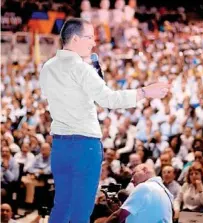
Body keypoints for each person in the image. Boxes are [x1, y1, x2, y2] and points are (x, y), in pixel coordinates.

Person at [39, 18, 170, 223]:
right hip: (84, 145)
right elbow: (109, 99)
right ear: (75, 39)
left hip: (60, 146)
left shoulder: (47, 67)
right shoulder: (81, 68)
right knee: (81, 209)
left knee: (62, 204)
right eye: (89, 37)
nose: (93, 42)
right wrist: (145, 91)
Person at [105, 164, 173, 223]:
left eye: (133, 173)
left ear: (145, 170)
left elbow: (117, 217)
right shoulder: (167, 193)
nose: (131, 180)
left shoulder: (144, 187)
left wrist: (119, 212)